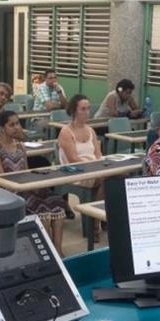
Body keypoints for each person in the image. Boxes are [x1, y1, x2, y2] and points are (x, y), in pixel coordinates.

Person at [0, 110, 66, 256]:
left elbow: (26, 172)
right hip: (9, 192)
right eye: (11, 125)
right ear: (1, 128)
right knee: (43, 211)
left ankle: (58, 251)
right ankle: (48, 251)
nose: (16, 127)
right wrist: (18, 188)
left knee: (57, 204)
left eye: (17, 123)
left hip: (25, 189)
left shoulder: (20, 146)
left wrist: (33, 187)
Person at [58, 94, 104, 240]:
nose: (87, 112)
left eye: (88, 109)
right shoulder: (66, 131)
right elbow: (73, 159)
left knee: (118, 177)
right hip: (75, 172)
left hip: (93, 171)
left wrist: (99, 165)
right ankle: (95, 221)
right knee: (108, 179)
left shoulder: (91, 130)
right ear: (74, 111)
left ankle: (97, 218)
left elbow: (98, 154)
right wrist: (94, 168)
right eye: (83, 109)